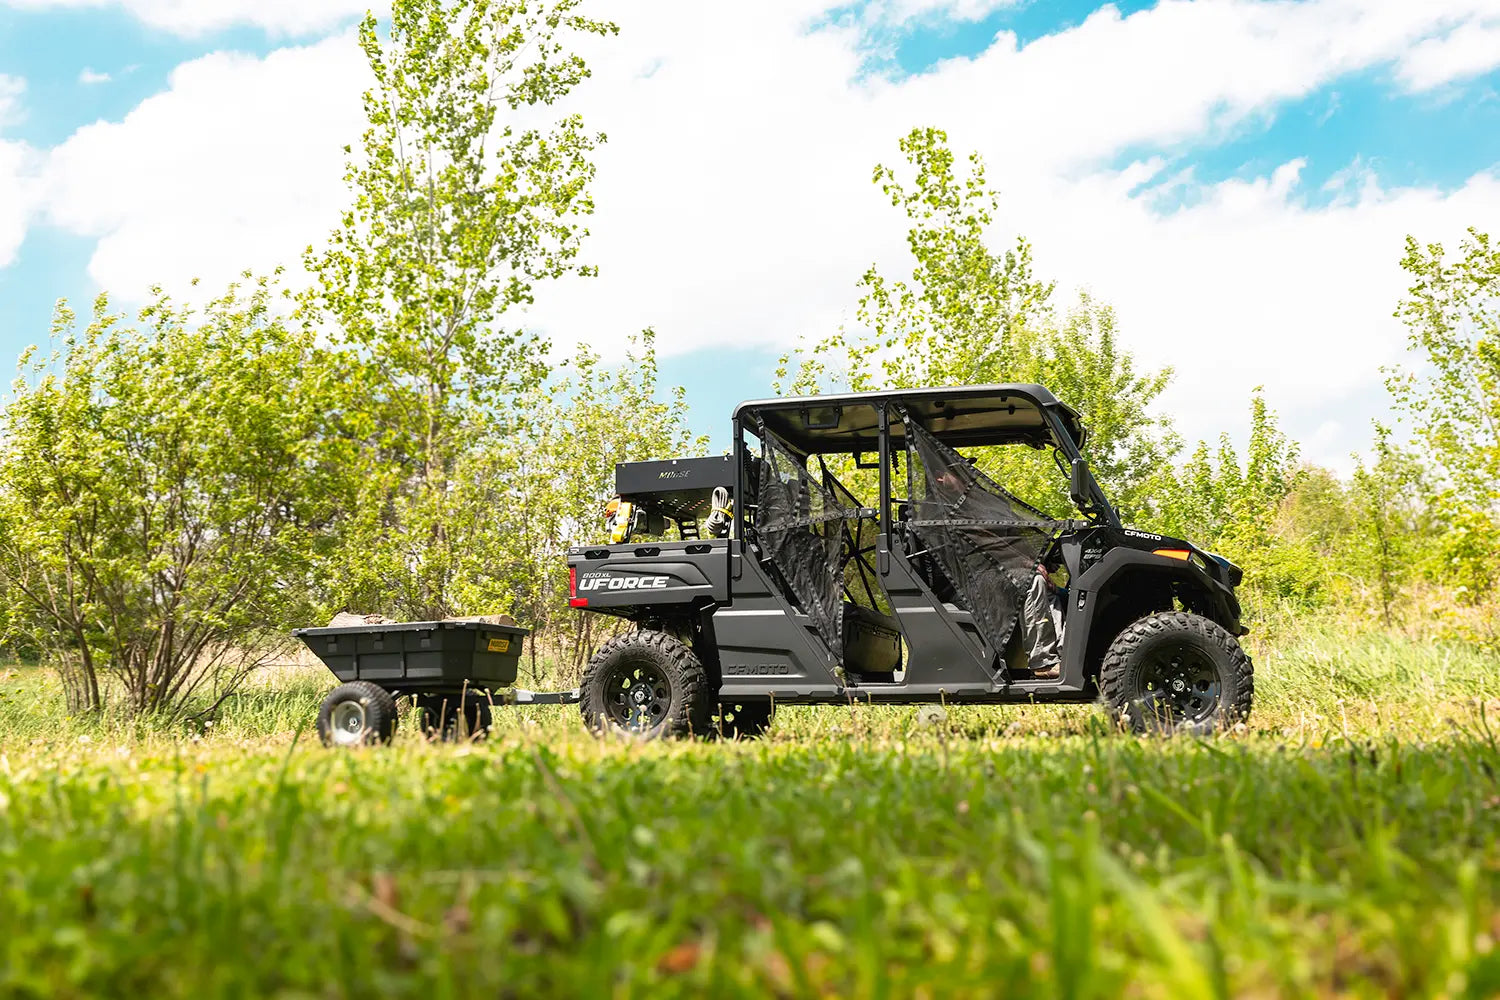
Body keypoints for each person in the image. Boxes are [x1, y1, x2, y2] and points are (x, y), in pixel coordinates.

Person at [1024, 559, 1065, 679]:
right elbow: (990, 546)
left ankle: (1065, 654)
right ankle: (1042, 661)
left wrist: (1045, 563)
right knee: (1035, 579)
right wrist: (1027, 563)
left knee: (1065, 594)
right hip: (986, 570)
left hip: (1008, 565)